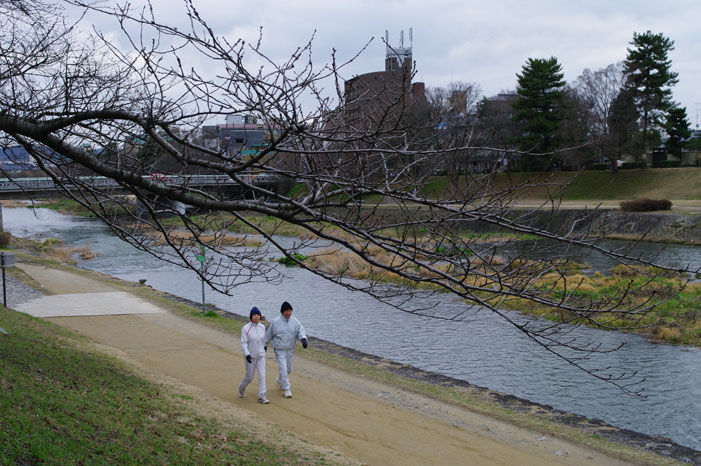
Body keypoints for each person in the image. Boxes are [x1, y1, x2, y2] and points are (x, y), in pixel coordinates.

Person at [264, 301, 307, 398]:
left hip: (290, 349)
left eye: (290, 311)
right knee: (283, 369)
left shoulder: (295, 321)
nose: (288, 313)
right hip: (279, 350)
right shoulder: (276, 322)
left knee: (289, 370)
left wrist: (303, 339)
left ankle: (279, 380)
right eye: (287, 311)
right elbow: (268, 334)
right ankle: (286, 389)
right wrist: (265, 344)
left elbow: (301, 330)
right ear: (282, 312)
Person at [238, 307, 269, 404]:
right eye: (254, 315)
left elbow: (263, 339)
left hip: (261, 356)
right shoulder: (246, 328)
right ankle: (241, 387)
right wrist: (247, 354)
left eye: (258, 315)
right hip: (250, 357)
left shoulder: (262, 327)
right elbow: (243, 342)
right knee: (249, 377)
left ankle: (262, 396)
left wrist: (264, 347)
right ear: (251, 317)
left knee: (262, 376)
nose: (256, 317)